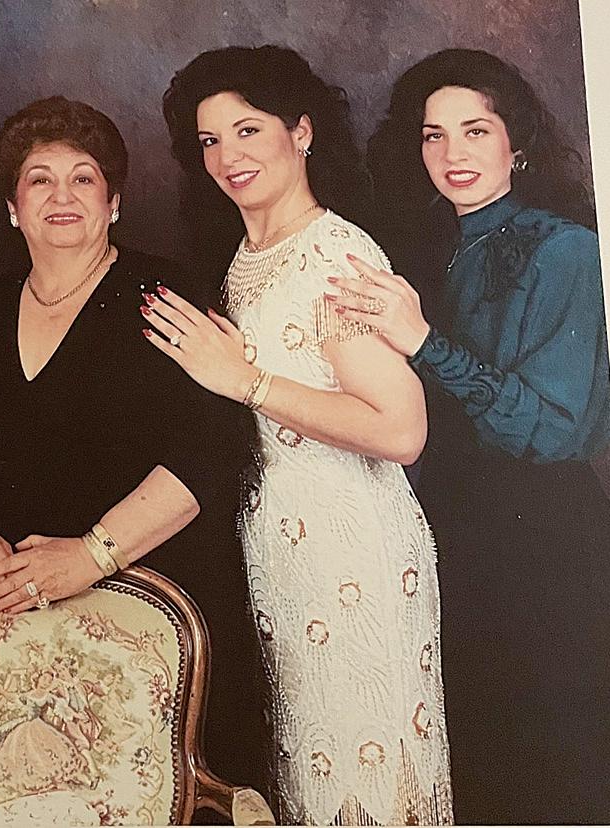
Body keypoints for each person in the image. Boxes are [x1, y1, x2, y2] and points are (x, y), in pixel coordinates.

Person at [0, 96, 270, 814]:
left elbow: (214, 445)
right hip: (19, 617)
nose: (62, 196)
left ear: (113, 204)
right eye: (40, 180)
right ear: (13, 209)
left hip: (160, 611)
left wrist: (92, 554)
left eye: (83, 179)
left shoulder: (164, 292)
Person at [345, 48, 610, 824]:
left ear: (516, 142)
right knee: (482, 771)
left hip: (547, 547)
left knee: (563, 776)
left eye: (475, 130)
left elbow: (549, 430)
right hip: (457, 540)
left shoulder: (566, 250)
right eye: (434, 135)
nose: (453, 153)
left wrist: (423, 342)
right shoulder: (429, 248)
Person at [155, 47, 452, 825]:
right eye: (210, 140)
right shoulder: (244, 258)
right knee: (308, 776)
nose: (228, 155)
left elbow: (402, 428)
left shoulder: (335, 256)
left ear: (302, 132)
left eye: (248, 129)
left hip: (354, 553)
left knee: (364, 781)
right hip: (283, 554)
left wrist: (246, 381)